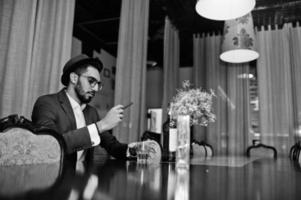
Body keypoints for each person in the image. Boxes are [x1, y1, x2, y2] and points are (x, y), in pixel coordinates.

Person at [31, 54, 136, 163]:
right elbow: (52, 146)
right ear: (74, 78)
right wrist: (103, 124)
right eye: (91, 81)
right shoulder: (47, 103)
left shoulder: (91, 112)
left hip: (84, 176)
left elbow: (112, 146)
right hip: (56, 176)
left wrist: (135, 149)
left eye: (98, 84)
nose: (95, 88)